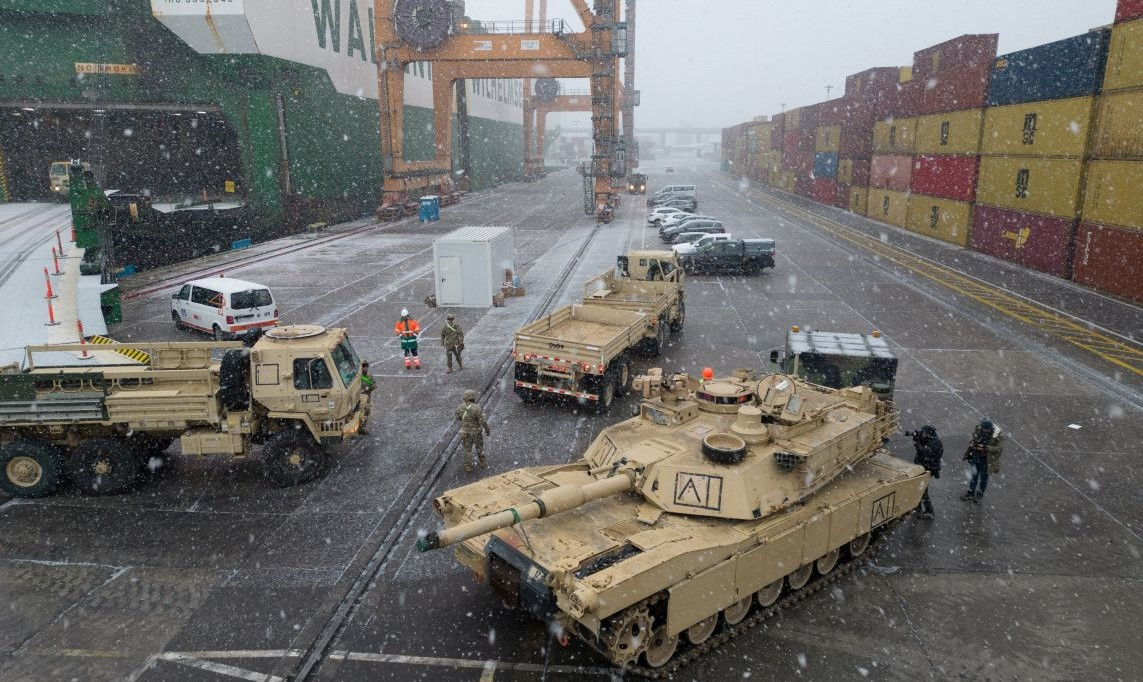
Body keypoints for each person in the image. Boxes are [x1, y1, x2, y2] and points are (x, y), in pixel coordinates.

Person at [962, 418, 1003, 502]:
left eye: (986, 429)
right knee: (974, 475)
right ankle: (971, 492)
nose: (984, 431)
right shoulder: (979, 428)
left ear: (990, 428)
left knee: (984, 478)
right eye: (983, 429)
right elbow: (974, 437)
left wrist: (986, 448)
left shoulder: (997, 436)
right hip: (975, 456)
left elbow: (999, 448)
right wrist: (973, 443)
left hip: (986, 460)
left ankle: (980, 494)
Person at [909, 425, 943, 517]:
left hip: (929, 468)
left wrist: (918, 445)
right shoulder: (930, 437)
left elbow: (925, 452)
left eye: (924, 433)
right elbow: (921, 438)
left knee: (922, 489)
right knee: (919, 487)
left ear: (928, 434)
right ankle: (917, 506)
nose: (923, 434)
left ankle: (929, 510)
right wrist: (914, 434)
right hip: (924, 466)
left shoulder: (935, 443)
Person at [456, 389, 490, 473]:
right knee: (479, 448)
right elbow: (482, 421)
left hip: (466, 432)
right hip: (476, 432)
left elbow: (458, 417)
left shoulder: (461, 407)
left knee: (468, 450)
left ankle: (468, 467)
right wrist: (487, 429)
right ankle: (482, 463)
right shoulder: (476, 408)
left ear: (465, 398)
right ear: (473, 398)